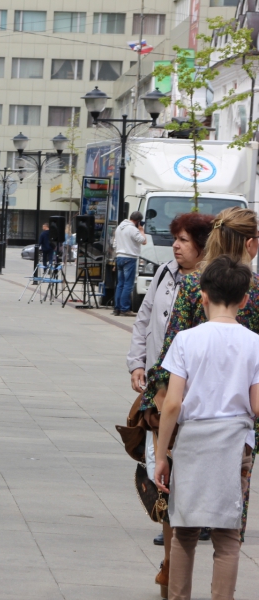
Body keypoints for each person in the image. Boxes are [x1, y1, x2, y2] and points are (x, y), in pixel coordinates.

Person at [142, 207, 259, 597]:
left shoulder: (192, 289)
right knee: (229, 534)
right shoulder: (254, 321)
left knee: (184, 529)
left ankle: (176, 592)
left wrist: (162, 449)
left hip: (191, 436)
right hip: (237, 440)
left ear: (205, 298)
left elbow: (170, 395)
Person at [125, 213, 213, 585]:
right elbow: (144, 319)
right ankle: (169, 533)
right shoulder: (164, 273)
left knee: (180, 463)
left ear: (202, 247)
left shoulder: (211, 284)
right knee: (159, 462)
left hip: (192, 393)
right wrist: (136, 363)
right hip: (159, 387)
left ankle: (181, 537)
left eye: (184, 240)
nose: (175, 245)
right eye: (175, 238)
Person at [113, 211, 147, 316]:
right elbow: (143, 241)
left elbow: (114, 244)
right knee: (128, 285)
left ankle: (117, 308)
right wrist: (141, 230)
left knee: (120, 284)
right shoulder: (132, 229)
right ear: (138, 221)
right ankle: (125, 309)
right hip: (130, 257)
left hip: (119, 256)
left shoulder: (119, 228)